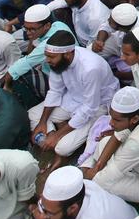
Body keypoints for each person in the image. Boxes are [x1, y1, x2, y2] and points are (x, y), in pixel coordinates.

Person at [28, 30, 120, 169]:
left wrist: (59, 134)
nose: (48, 60)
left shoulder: (90, 68)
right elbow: (55, 91)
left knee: (62, 149)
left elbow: (90, 107)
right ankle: (52, 136)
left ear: (67, 54)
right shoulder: (58, 62)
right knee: (33, 114)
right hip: (73, 97)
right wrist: (42, 123)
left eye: (51, 57)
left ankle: (57, 137)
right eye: (47, 56)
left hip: (97, 105)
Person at [80, 86, 139, 204]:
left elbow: (106, 178)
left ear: (134, 119)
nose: (110, 123)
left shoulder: (138, 142)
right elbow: (116, 137)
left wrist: (91, 176)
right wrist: (97, 167)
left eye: (116, 120)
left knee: (101, 183)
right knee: (104, 143)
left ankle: (87, 171)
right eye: (111, 117)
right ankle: (90, 168)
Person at [35, 165, 138, 219]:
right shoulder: (82, 187)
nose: (42, 216)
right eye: (42, 206)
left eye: (47, 213)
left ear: (72, 208)